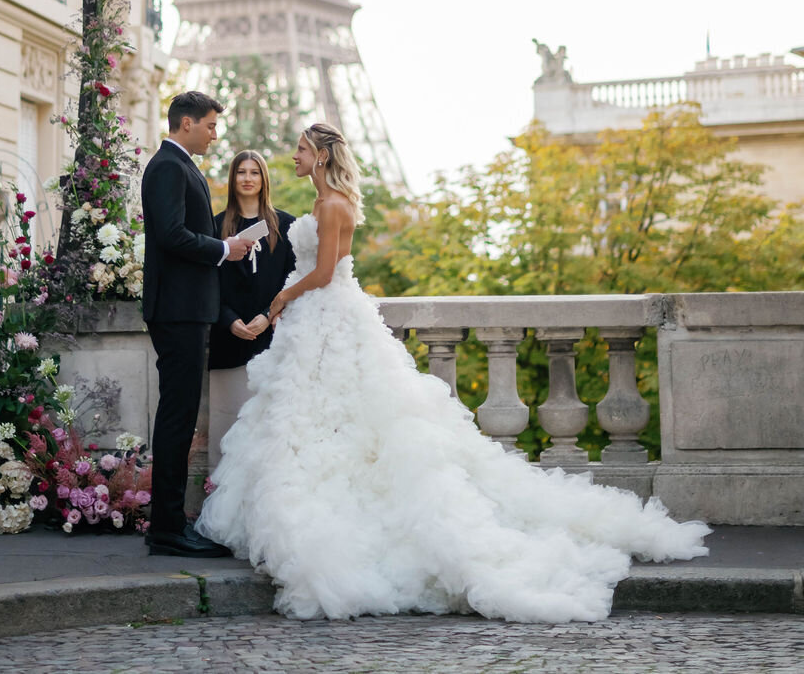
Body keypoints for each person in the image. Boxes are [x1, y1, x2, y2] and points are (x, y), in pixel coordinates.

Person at [196, 121, 710, 622]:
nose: (295, 156)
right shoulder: (319, 202)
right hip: (321, 318)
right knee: (321, 418)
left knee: (330, 413)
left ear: (322, 156)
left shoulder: (330, 204)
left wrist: (283, 296)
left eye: (302, 149)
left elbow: (326, 272)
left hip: (326, 314)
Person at [140, 90, 257, 557]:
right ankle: (166, 529)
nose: (215, 133)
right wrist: (224, 249)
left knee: (181, 415)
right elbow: (169, 235)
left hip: (186, 308)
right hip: (178, 310)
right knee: (176, 417)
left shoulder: (179, 165)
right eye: (210, 125)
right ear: (185, 123)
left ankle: (168, 524)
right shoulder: (168, 166)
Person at [208, 150, 296, 463]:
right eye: (241, 172)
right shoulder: (215, 226)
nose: (247, 178)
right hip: (228, 339)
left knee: (271, 431)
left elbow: (292, 280)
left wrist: (267, 314)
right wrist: (230, 320)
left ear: (264, 179)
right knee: (230, 426)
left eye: (254, 172)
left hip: (272, 339)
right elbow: (208, 283)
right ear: (232, 179)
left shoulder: (286, 226)